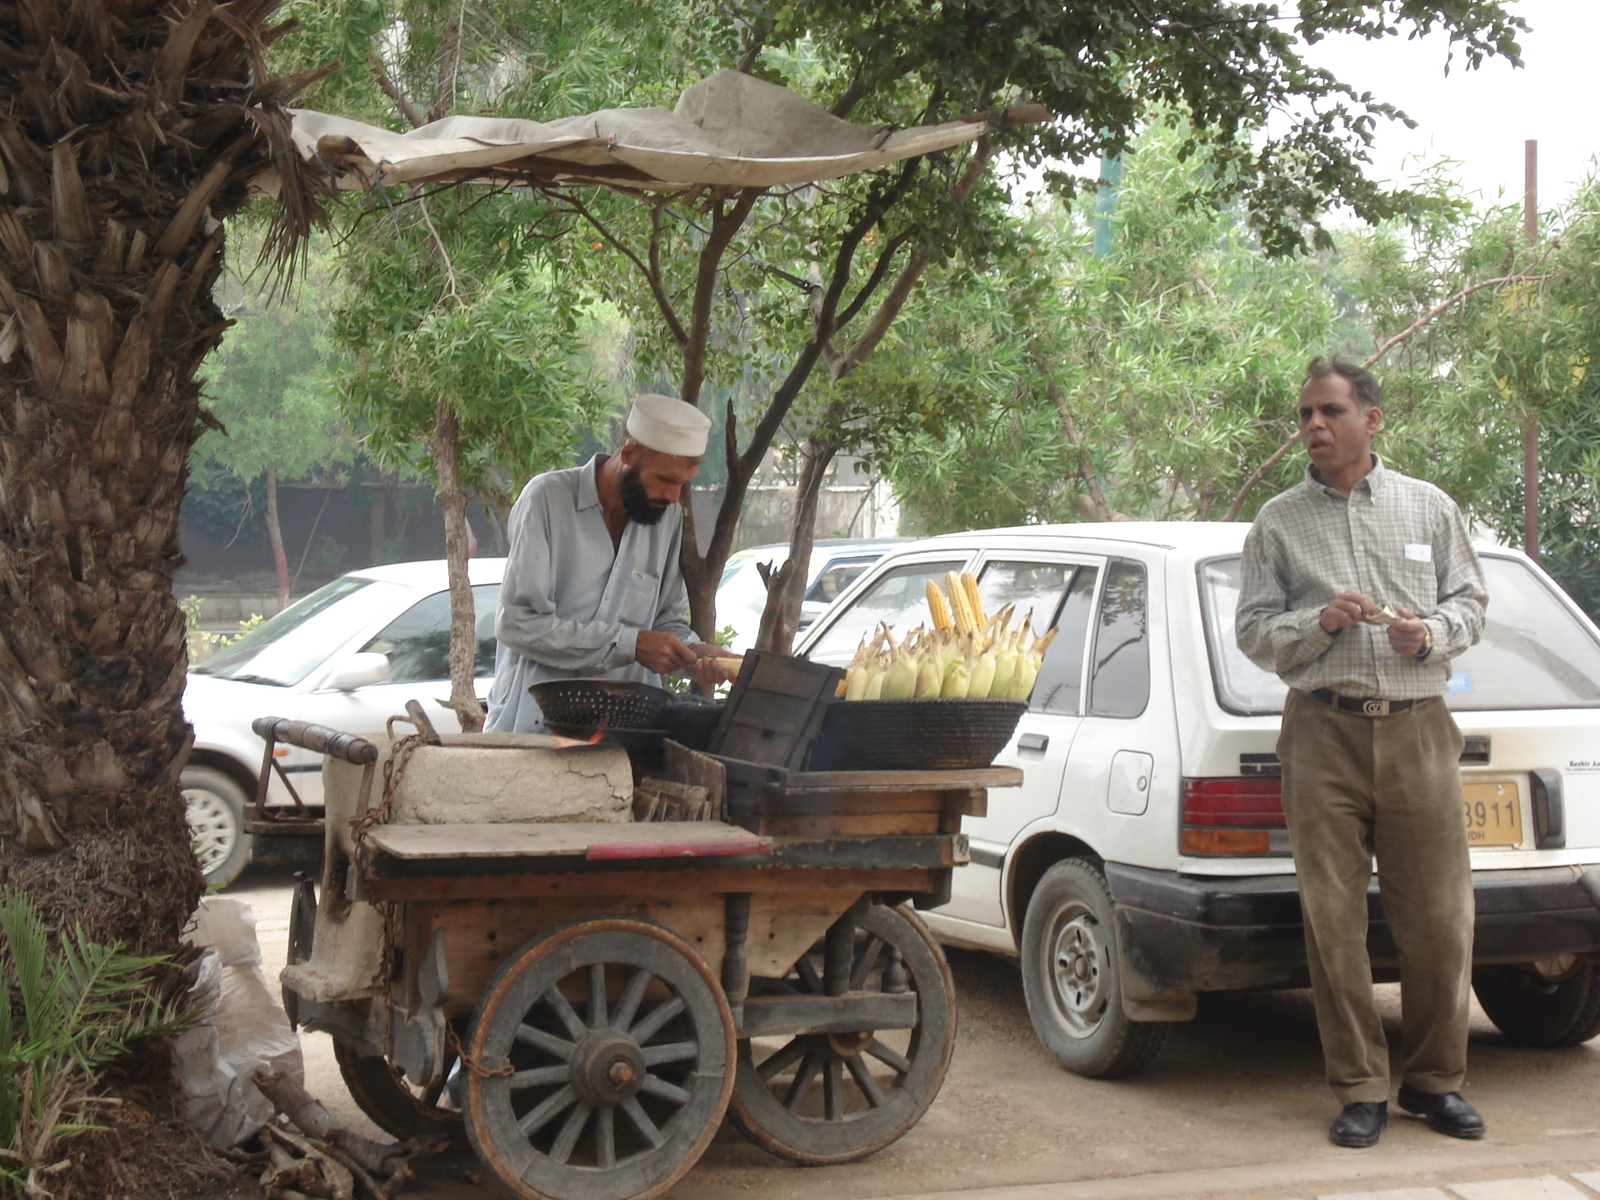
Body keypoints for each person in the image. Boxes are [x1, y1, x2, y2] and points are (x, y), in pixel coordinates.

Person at [1235, 359, 1489, 1150]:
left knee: (1441, 920)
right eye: (1305, 414)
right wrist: (1324, 625)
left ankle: (1435, 1083)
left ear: (1371, 419)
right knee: (1334, 922)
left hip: (1418, 728)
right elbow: (1252, 631)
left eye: (1330, 412)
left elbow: (1472, 603)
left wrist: (1432, 633)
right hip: (1323, 731)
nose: (1313, 427)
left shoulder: (1429, 506)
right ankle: (1360, 1088)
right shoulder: (1277, 522)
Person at [484, 393, 733, 733]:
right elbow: (517, 623)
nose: (674, 497)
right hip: (534, 729)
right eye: (665, 480)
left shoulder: (667, 516)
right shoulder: (546, 499)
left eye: (682, 484)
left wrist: (693, 654)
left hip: (623, 735)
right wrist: (630, 644)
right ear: (628, 454)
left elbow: (664, 620)